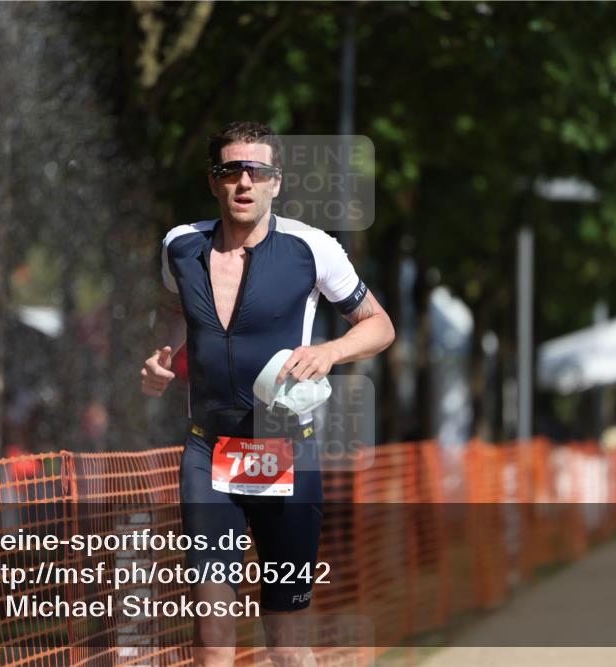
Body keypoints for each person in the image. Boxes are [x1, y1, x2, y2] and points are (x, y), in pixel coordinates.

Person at [140, 122, 395, 667]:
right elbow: (170, 308)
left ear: (277, 183)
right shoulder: (180, 246)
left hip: (284, 453)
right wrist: (164, 355)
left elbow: (379, 325)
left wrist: (329, 352)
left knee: (288, 645)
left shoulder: (312, 248)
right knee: (211, 642)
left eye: (258, 171)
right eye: (232, 170)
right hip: (210, 454)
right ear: (214, 182)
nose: (245, 182)